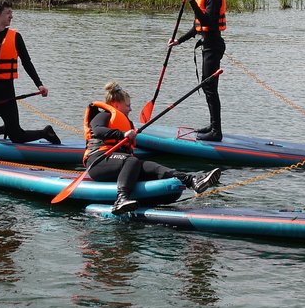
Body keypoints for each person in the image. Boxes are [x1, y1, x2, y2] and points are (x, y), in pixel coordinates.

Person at [85, 81, 222, 215]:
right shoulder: (102, 115)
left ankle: (191, 180)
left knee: (152, 166)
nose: (130, 109)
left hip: (119, 163)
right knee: (131, 161)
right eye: (128, 105)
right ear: (116, 105)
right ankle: (121, 199)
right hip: (99, 161)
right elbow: (97, 131)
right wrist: (123, 134)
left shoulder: (126, 121)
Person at [0, 0, 60, 144]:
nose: (11, 16)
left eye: (11, 13)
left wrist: (39, 85)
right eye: (8, 13)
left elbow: (27, 63)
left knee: (17, 137)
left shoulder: (16, 38)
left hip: (7, 94)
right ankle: (3, 129)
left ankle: (46, 132)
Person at [168, 0, 226, 142]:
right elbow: (197, 27)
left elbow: (207, 20)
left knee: (210, 87)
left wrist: (192, 1)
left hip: (214, 45)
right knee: (207, 86)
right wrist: (179, 40)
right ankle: (212, 125)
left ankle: (216, 131)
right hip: (207, 44)